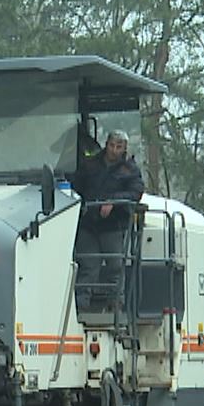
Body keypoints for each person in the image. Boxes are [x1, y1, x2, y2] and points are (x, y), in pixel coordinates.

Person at [69, 128, 145, 309]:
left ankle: (115, 305)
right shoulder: (91, 164)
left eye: (118, 146)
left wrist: (114, 202)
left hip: (114, 225)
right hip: (89, 223)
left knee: (115, 266)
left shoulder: (130, 169)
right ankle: (81, 306)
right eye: (111, 145)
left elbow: (136, 192)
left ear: (124, 148)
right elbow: (76, 184)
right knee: (87, 265)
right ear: (106, 144)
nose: (114, 150)